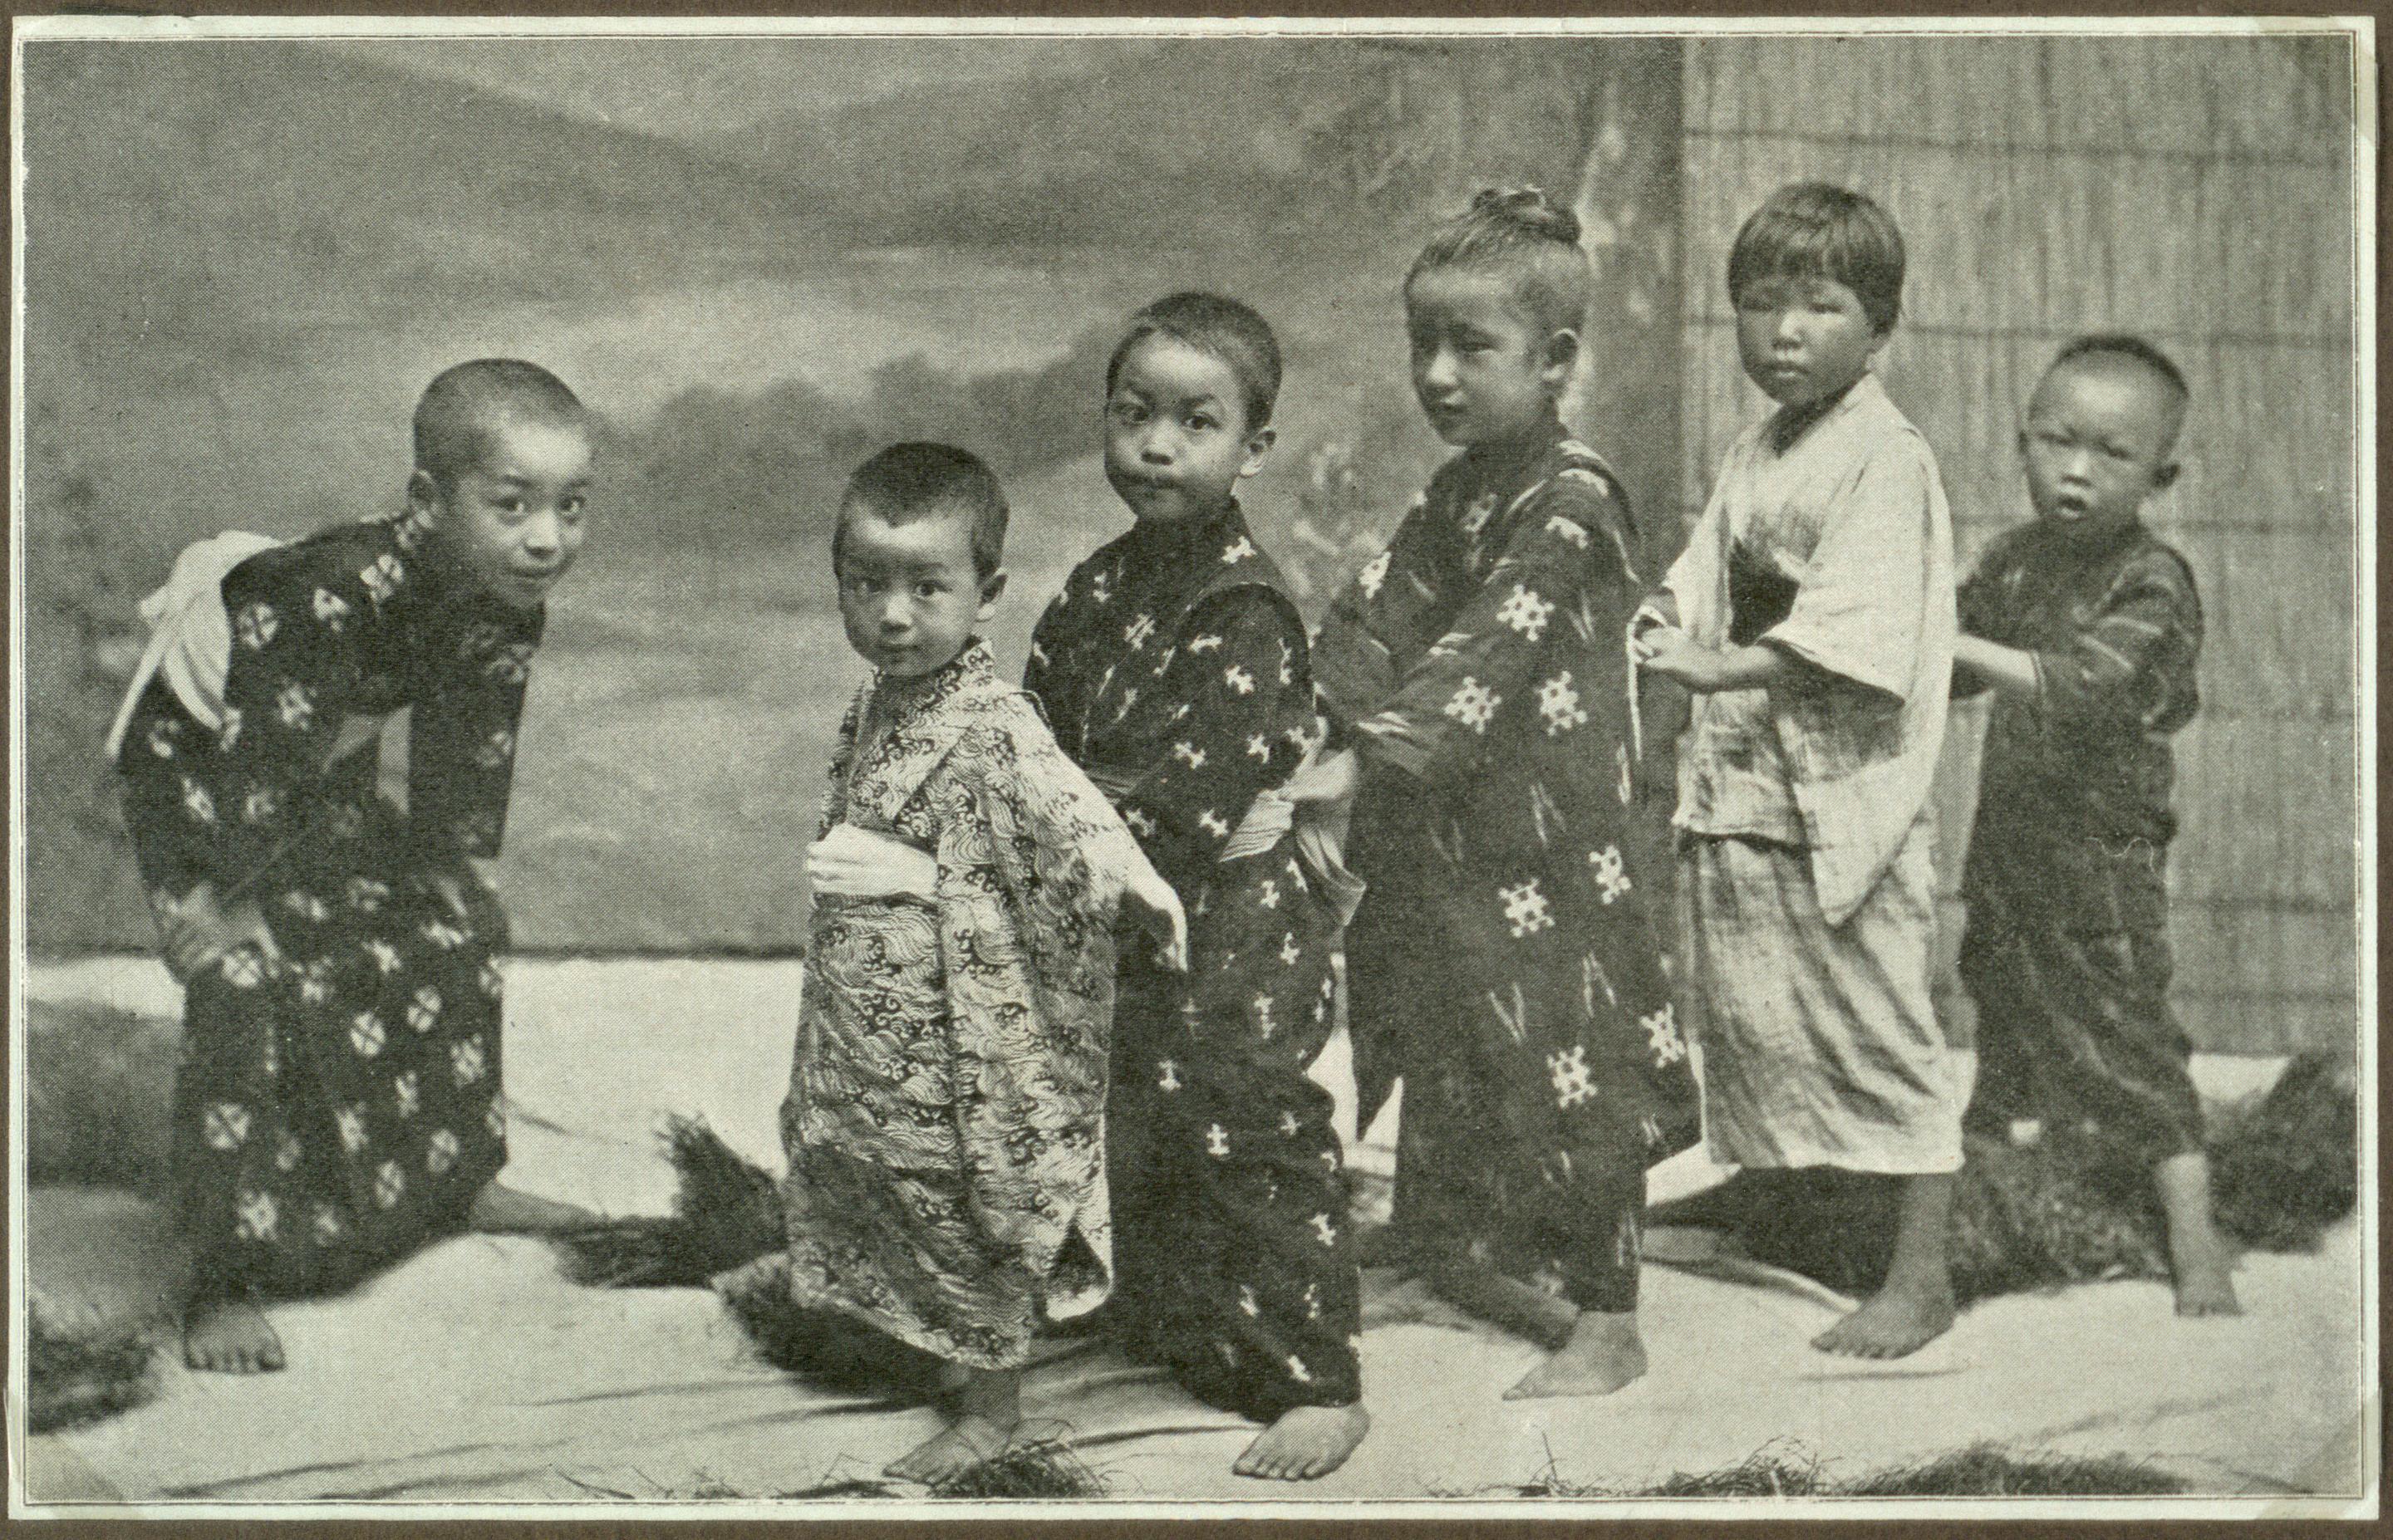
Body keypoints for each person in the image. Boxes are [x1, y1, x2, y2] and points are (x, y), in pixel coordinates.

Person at [107, 359, 600, 1376]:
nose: (546, 537)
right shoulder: (324, 591)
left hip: (314, 765)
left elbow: (469, 744)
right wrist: (228, 899)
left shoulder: (507, 598)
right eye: (513, 505)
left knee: (459, 922)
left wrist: (460, 861)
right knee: (241, 974)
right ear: (429, 500)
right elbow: (258, 760)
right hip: (205, 766)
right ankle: (222, 1275)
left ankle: (458, 1177)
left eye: (570, 507)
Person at [1301, 188, 1698, 1401]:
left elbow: (1484, 650)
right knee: (1446, 1025)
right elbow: (1385, 614)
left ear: (1557, 359)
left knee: (1574, 1052)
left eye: (1472, 347)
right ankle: (1432, 1247)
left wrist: (1360, 759)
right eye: (1425, 344)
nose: (1438, 374)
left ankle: (1611, 1314)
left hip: (1560, 840)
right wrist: (1304, 710)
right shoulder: (1463, 486)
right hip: (1458, 830)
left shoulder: (1571, 501)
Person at [738, 442, 1187, 1484]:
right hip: (872, 1024)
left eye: (925, 587)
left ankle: (991, 1411)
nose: (893, 615)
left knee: (962, 1200)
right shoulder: (879, 701)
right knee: (880, 1178)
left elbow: (1069, 818)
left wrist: (1137, 884)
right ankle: (925, 1348)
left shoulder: (991, 723)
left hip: (955, 1040)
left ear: (985, 598)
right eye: (868, 584)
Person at [1023, 293, 1371, 1481]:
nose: (1158, 445)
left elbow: (1189, 803)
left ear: (1252, 449)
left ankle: (1319, 1374)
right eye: (1135, 415)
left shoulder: (1242, 605)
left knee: (1249, 1118)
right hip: (1123, 895)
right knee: (1142, 1109)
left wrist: (1066, 854)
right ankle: (1177, 1317)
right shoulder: (1098, 586)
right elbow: (1039, 732)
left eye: (1196, 421)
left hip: (1227, 911)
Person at [1636, 183, 1963, 1359]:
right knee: (1752, 1010)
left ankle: (1921, 1273)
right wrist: (1657, 619)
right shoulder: (1758, 445)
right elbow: (1702, 570)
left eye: (1821, 306)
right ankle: (1763, 1186)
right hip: (1749, 787)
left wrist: (1711, 667)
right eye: (1762, 302)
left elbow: (1858, 628)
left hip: (1835, 790)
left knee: (1878, 1028)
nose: (1785, 330)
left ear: (1880, 328)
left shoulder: (1887, 456)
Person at [1952, 335, 2238, 1317]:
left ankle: (2199, 1245)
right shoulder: (2011, 564)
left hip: (2107, 850)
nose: (2075, 470)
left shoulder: (2153, 582)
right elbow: (1944, 671)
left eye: (2111, 454)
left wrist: (1944, 640)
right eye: (2055, 440)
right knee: (1998, 994)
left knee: (2124, 1023)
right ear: (2019, 441)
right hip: (2011, 837)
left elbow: (2078, 685)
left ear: (2162, 475)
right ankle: (1973, 1199)